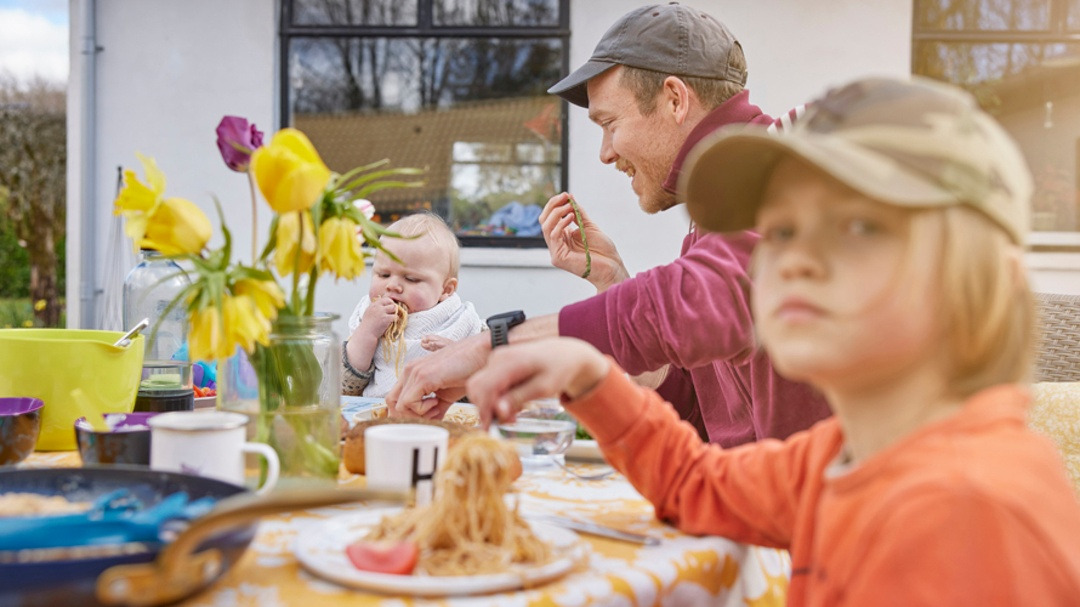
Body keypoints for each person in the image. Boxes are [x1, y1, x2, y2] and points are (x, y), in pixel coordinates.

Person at [464, 76, 1080, 604]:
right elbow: (693, 485)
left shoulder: (969, 512)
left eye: (859, 226)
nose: (793, 259)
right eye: (780, 229)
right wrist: (589, 376)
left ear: (988, 277)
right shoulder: (838, 456)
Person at [387, 3, 832, 447]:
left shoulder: (779, 174)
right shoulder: (715, 212)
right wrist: (612, 282)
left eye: (610, 123)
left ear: (675, 99)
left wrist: (493, 346)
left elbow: (693, 299)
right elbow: (696, 412)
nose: (605, 153)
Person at [342, 213, 483, 397]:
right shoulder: (369, 315)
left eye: (411, 279)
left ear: (446, 289)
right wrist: (366, 333)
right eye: (383, 275)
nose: (391, 285)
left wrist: (458, 357)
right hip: (378, 412)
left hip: (440, 414)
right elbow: (348, 385)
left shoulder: (461, 321)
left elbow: (486, 380)